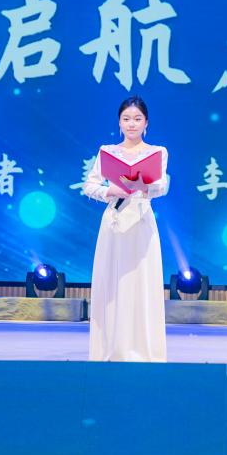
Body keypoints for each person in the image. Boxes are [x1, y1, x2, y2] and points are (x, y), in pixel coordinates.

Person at [82, 96, 168, 362]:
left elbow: (162, 186)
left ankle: (143, 349)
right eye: (126, 119)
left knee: (141, 282)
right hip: (115, 222)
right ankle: (112, 347)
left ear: (146, 123)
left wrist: (144, 185)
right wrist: (110, 191)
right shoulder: (107, 151)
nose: (132, 124)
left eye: (137, 119)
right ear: (119, 122)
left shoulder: (157, 152)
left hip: (141, 221)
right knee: (114, 282)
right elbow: (89, 185)